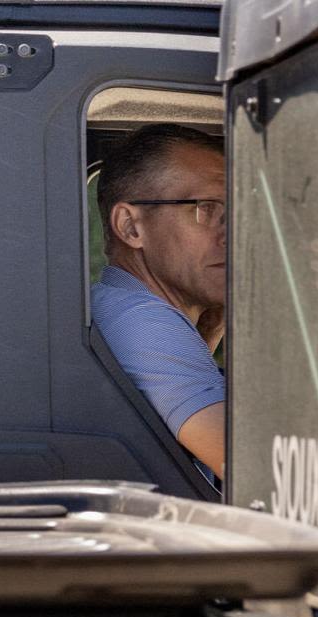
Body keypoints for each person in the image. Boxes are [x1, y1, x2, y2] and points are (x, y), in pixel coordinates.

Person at [91, 124, 227, 480]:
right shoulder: (141, 321)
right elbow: (265, 471)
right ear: (131, 227)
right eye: (207, 209)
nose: (234, 232)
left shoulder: (115, 307)